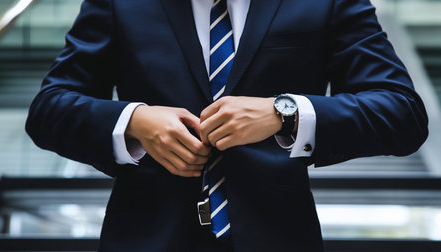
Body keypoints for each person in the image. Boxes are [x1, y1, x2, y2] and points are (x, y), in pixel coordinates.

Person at [25, 0, 428, 251]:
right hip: (144, 236)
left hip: (278, 236)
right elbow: (48, 110)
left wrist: (286, 113)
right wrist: (132, 120)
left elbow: (402, 113)